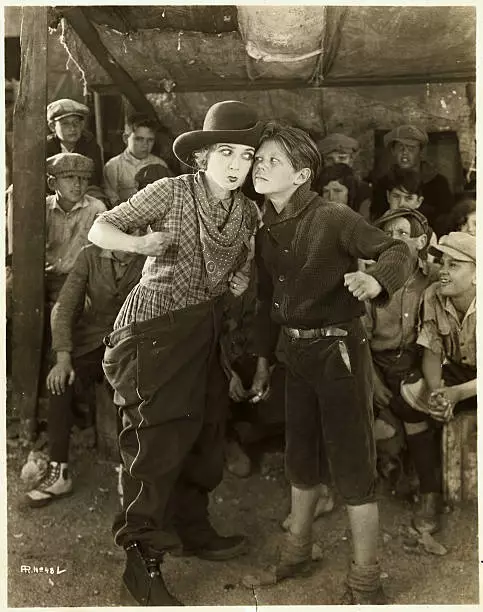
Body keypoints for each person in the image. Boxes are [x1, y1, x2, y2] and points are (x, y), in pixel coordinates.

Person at [87, 100, 262, 606]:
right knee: (156, 448)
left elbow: (239, 271)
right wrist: (140, 246)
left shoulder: (246, 210)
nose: (236, 165)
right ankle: (140, 565)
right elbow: (101, 229)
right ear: (202, 157)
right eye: (225, 152)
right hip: (153, 332)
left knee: (206, 435)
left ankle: (192, 528)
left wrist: (239, 279)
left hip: (205, 333)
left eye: (247, 156)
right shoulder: (171, 190)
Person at [250, 122, 412, 604]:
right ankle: (298, 552)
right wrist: (262, 361)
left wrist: (377, 282)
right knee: (301, 455)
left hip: (339, 351)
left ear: (301, 174)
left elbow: (398, 248)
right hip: (293, 353)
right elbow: (265, 302)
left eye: (271, 161)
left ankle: (367, 579)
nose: (259, 166)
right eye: (258, 160)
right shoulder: (266, 225)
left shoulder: (334, 217)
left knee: (352, 460)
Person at [24, 241, 145, 507]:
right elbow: (65, 307)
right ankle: (59, 471)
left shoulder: (149, 257)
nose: (130, 236)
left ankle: (131, 477)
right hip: (92, 343)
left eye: (137, 228)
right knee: (60, 382)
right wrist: (63, 357)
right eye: (123, 228)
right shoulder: (90, 255)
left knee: (130, 392)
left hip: (132, 346)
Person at [400, 232, 476, 534]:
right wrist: (437, 393)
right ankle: (430, 492)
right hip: (457, 373)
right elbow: (432, 352)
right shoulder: (433, 295)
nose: (443, 270)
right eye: (442, 262)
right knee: (409, 400)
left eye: (454, 264)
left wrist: (457, 393)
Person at [363, 208, 435, 496]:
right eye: (388, 234)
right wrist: (375, 381)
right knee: (381, 425)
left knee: (413, 413)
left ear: (421, 242)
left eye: (403, 234)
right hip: (377, 365)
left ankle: (429, 490)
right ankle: (392, 465)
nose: (394, 240)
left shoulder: (434, 278)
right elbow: (360, 341)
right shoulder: (369, 281)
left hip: (417, 363)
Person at [43, 153, 107, 303]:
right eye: (69, 177)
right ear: (52, 183)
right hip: (44, 276)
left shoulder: (96, 208)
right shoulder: (42, 208)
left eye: (83, 178)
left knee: (69, 310)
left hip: (78, 279)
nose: (77, 184)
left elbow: (101, 254)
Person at [371, 125, 454, 235]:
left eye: (411, 148)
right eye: (400, 148)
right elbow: (376, 217)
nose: (405, 153)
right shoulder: (383, 183)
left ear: (420, 152)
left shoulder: (438, 183)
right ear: (393, 151)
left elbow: (446, 221)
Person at [103, 113, 173, 208]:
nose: (145, 145)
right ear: (125, 138)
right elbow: (112, 200)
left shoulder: (160, 164)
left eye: (150, 140)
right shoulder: (113, 166)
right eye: (139, 139)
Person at [46, 98, 104, 197]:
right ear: (52, 126)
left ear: (82, 125)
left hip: (83, 194)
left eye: (76, 123)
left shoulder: (90, 145)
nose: (72, 128)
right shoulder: (45, 147)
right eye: (65, 124)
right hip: (53, 195)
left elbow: (94, 180)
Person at [315, 133, 372, 219]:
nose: (336, 163)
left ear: (351, 160)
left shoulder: (364, 189)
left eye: (342, 158)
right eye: (330, 159)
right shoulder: (314, 188)